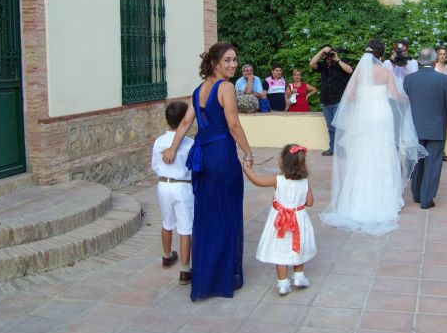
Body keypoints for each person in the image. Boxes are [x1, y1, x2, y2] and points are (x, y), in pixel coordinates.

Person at [162, 41, 254, 301]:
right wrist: (248, 152)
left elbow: (185, 123)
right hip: (222, 156)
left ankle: (204, 277)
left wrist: (172, 148)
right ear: (215, 63)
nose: (233, 65)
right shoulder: (225, 87)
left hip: (202, 158)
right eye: (228, 60)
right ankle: (223, 278)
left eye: (235, 60)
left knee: (206, 216)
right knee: (227, 214)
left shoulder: (198, 90)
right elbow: (234, 125)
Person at [320, 39, 427, 235]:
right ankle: (385, 198)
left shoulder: (359, 72)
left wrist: (365, 100)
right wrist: (410, 99)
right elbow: (395, 96)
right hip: (382, 115)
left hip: (366, 116)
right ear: (381, 55)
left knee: (363, 154)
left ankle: (359, 199)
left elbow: (350, 96)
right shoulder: (386, 71)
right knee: (383, 152)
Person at [243, 144, 316, 296]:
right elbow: (309, 203)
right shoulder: (305, 182)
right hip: (299, 220)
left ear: (283, 163)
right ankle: (299, 277)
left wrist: (247, 170)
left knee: (281, 250)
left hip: (280, 222)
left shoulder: (277, 180)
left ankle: (283, 284)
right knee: (298, 247)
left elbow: (257, 181)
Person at [403, 47, 447, 209]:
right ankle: (427, 199)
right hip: (436, 127)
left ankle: (417, 195)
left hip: (415, 127)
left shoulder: (409, 79)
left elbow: (405, 102)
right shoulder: (443, 79)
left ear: (419, 61)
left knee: (417, 161)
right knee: (433, 162)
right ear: (435, 60)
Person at [151, 101, 194, 284]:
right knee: (185, 228)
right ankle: (185, 270)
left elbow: (154, 166)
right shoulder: (190, 143)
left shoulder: (159, 141)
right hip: (182, 185)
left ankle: (167, 256)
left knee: (167, 222)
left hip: (163, 185)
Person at [310, 46, 354, 156]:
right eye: (326, 54)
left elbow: (350, 70)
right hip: (326, 100)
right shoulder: (323, 65)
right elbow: (312, 64)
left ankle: (341, 149)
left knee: (339, 126)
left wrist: (337, 59)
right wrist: (321, 51)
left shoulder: (341, 62)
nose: (328, 56)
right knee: (330, 126)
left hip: (339, 99)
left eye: (329, 53)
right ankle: (332, 148)